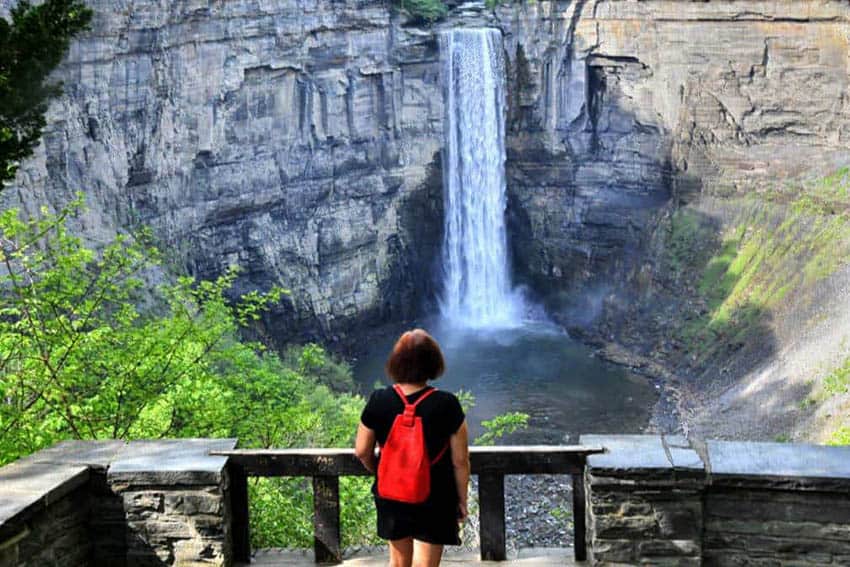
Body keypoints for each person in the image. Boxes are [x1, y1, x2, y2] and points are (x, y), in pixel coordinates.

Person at [355, 329, 470, 567]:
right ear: (434, 363)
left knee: (398, 563)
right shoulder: (447, 404)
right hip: (436, 494)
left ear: (395, 363)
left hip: (392, 492)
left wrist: (379, 470)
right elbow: (460, 460)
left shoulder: (379, 399)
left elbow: (361, 450)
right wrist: (462, 499)